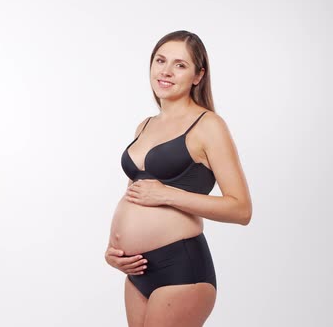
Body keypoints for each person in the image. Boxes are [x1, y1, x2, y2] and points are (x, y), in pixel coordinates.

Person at [105, 30, 252, 327]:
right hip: (137, 271)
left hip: (181, 268)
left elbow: (241, 209)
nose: (166, 71)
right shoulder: (145, 125)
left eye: (180, 65)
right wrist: (114, 249)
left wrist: (166, 195)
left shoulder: (208, 125)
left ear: (198, 76)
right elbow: (137, 193)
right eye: (160, 60)